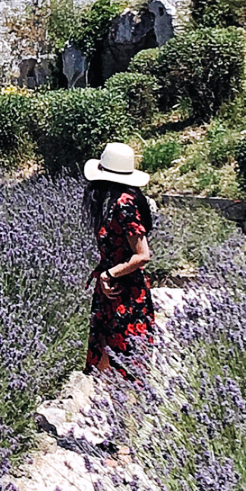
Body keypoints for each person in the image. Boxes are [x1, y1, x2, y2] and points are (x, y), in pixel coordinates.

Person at [82, 142, 155, 376]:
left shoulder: (124, 204)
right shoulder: (115, 201)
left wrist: (110, 274)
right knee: (108, 357)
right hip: (112, 290)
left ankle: (128, 409)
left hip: (125, 293)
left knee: (125, 361)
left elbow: (143, 255)